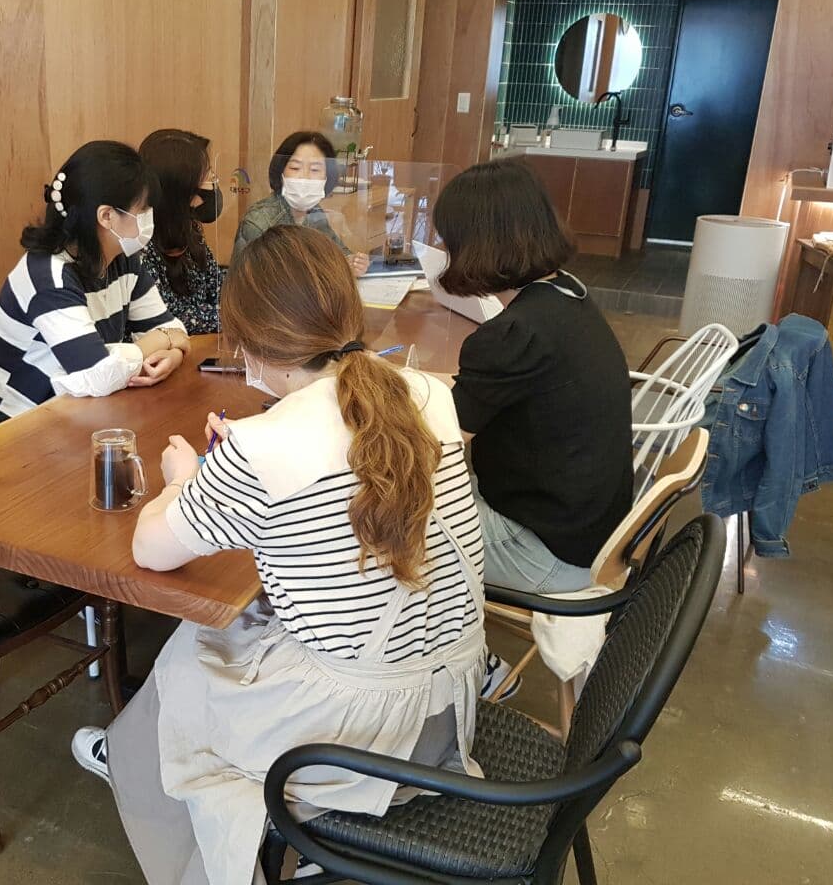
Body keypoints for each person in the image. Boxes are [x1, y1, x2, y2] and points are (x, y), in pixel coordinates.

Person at [72, 225, 487, 885]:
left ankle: (141, 766)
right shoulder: (428, 393)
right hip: (449, 698)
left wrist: (185, 478)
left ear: (250, 341)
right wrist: (245, 455)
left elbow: (151, 548)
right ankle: (131, 751)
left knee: (194, 650)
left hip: (357, 734)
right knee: (232, 632)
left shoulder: (260, 446)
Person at [434, 158, 633, 594]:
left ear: (475, 243)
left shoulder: (513, 334)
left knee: (369, 521)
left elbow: (437, 442)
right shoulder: (567, 294)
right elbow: (478, 395)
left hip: (543, 550)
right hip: (589, 532)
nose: (444, 249)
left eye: (448, 239)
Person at [0, 141, 190, 424]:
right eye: (143, 209)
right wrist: (165, 340)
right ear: (107, 216)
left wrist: (174, 354)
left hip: (85, 408)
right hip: (21, 424)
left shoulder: (123, 259)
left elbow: (174, 328)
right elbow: (99, 373)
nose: (149, 219)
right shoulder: (47, 276)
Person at [233, 130, 370, 276]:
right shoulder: (258, 221)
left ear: (327, 177)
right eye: (295, 168)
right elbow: (245, 282)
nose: (305, 177)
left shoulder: (314, 212)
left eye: (315, 169)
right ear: (281, 172)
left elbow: (337, 251)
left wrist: (352, 262)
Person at [138, 129, 224, 335]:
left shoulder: (189, 227)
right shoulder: (140, 241)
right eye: (207, 175)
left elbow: (216, 284)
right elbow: (170, 317)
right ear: (180, 188)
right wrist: (233, 316)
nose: (214, 181)